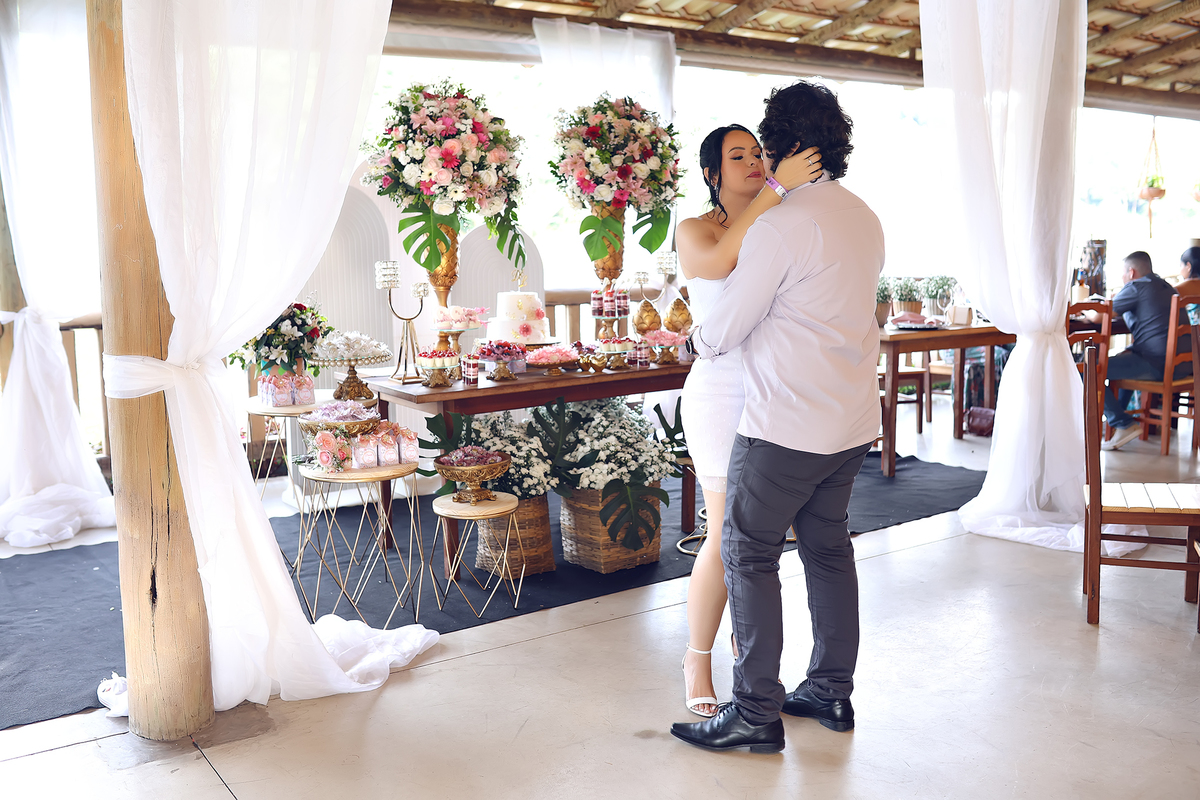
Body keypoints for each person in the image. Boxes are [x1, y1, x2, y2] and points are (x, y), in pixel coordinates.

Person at [671, 80, 885, 754]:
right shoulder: (863, 215)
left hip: (786, 424)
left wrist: (693, 342)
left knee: (748, 553)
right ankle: (830, 690)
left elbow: (726, 327)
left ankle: (755, 711)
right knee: (828, 551)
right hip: (851, 420)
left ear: (785, 144)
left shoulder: (782, 225)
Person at [674, 125, 823, 718]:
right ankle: (696, 659)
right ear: (712, 173)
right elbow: (719, 262)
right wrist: (777, 191)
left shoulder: (779, 223)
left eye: (758, 153)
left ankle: (750, 655)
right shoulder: (696, 230)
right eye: (738, 156)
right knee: (724, 531)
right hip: (719, 391)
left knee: (762, 536)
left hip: (775, 390)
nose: (755, 162)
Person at [1097, 251, 1189, 451]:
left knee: (1088, 369)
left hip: (1159, 366)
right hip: (1184, 367)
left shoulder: (1136, 287)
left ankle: (1123, 423)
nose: (1122, 277)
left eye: (1123, 273)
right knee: (1125, 358)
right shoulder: (1168, 287)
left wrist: (1088, 309)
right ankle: (1120, 423)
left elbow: (1100, 316)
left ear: (1131, 272)